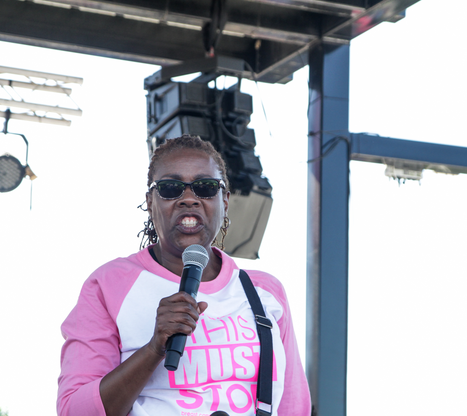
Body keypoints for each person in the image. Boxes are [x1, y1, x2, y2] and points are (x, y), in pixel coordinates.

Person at [57, 135, 310, 416]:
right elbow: (74, 410)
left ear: (225, 201)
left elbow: (293, 405)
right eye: (170, 188)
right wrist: (154, 347)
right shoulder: (109, 284)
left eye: (205, 187)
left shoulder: (265, 291)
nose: (189, 198)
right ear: (151, 202)